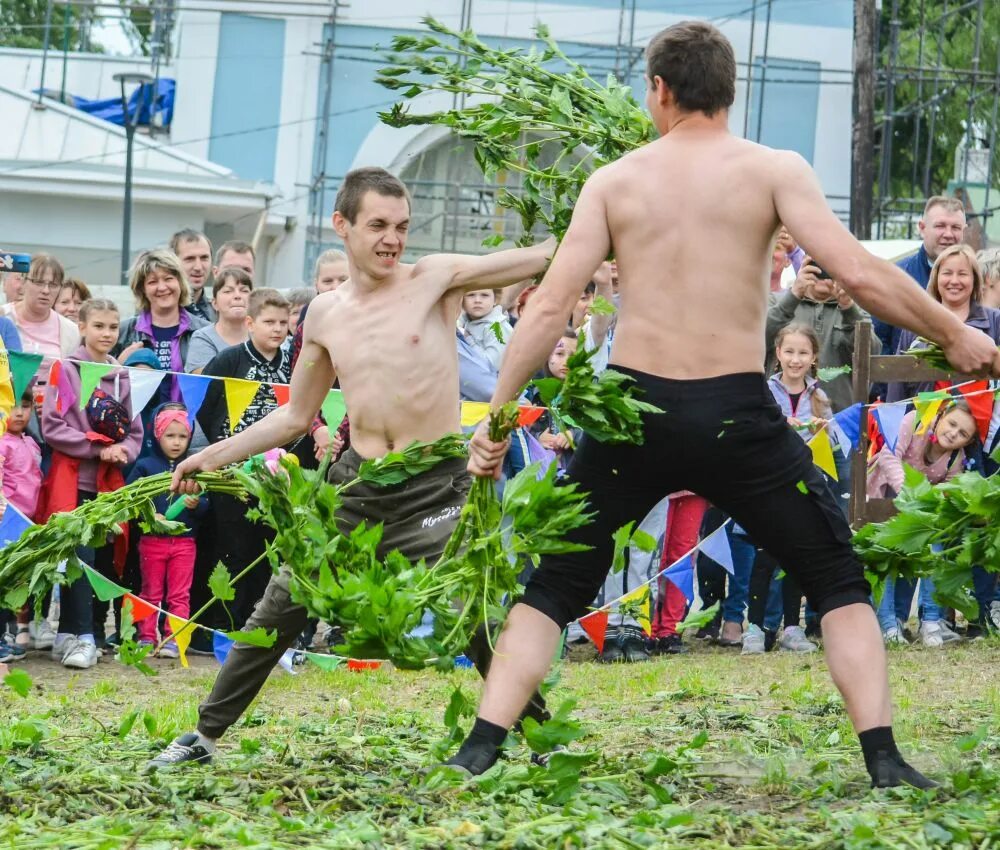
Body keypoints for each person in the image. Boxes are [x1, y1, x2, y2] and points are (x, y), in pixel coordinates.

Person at [447, 20, 998, 789]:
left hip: (636, 412)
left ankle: (480, 746)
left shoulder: (615, 179)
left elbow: (547, 310)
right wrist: (954, 332)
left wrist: (499, 421)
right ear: (729, 92)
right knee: (835, 576)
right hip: (738, 412)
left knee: (554, 585)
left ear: (659, 91)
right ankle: (884, 759)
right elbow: (859, 274)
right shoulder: (774, 169)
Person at [146, 166, 555, 769]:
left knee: (475, 612)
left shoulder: (435, 279)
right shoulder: (325, 315)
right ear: (342, 225)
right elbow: (295, 416)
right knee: (281, 605)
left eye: (402, 227)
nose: (393, 239)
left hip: (436, 484)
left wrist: (592, 218)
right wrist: (211, 454)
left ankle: (540, 737)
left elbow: (543, 256)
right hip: (358, 489)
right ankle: (204, 736)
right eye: (378, 226)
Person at [39, 299, 143, 668]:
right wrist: (95, 448)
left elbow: (134, 432)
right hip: (70, 479)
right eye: (98, 326)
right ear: (81, 326)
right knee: (75, 557)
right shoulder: (65, 369)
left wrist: (122, 452)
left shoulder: (124, 376)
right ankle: (82, 637)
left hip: (107, 484)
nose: (106, 334)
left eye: (113, 327)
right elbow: (52, 426)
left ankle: (73, 630)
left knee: (96, 558)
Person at [197, 288, 292, 626]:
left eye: (283, 322)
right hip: (233, 474)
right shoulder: (229, 360)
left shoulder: (293, 364)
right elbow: (205, 408)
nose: (277, 329)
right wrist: (224, 448)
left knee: (271, 551)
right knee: (234, 550)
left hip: (280, 476)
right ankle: (227, 625)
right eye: (269, 322)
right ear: (251, 323)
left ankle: (265, 623)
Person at [866, 400, 977, 648]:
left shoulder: (955, 459)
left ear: (967, 442)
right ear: (941, 415)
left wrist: (925, 502)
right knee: (888, 559)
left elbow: (949, 489)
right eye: (952, 424)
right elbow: (888, 455)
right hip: (885, 498)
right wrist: (910, 492)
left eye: (962, 434)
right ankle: (887, 624)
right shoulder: (915, 421)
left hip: (920, 513)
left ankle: (930, 620)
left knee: (934, 553)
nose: (953, 433)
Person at [126, 405, 207, 658]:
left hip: (185, 542)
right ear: (157, 435)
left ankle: (174, 638)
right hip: (152, 541)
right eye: (170, 436)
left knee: (180, 594)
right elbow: (131, 501)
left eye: (182, 436)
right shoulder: (144, 466)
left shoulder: (194, 467)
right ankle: (147, 637)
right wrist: (151, 515)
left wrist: (197, 504)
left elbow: (207, 503)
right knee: (150, 592)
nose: (176, 442)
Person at [889, 244, 1000, 401]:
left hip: (982, 421)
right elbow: (898, 384)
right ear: (936, 278)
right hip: (919, 422)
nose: (954, 281)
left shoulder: (996, 321)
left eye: (962, 274)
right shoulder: (916, 324)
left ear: (975, 280)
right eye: (947, 273)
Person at [871, 196, 967, 357]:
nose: (948, 234)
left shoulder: (978, 279)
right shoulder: (897, 277)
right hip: (906, 378)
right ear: (922, 228)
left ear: (964, 231)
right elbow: (880, 341)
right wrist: (894, 379)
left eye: (956, 227)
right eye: (940, 226)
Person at [114, 249, 209, 404]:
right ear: (142, 289)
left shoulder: (204, 332)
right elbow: (102, 385)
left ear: (180, 282)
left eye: (168, 278)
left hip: (189, 424)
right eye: (152, 282)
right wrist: (118, 364)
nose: (162, 287)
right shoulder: (123, 332)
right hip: (137, 425)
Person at [7, 254, 80, 380]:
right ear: (24, 282)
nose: (46, 290)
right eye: (39, 282)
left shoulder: (71, 331)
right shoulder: (4, 317)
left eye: (53, 285)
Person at [184, 267, 254, 374]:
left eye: (244, 290)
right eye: (228, 291)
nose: (237, 296)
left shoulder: (263, 335)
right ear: (215, 303)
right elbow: (204, 384)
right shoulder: (203, 338)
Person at [459, 289, 511, 371]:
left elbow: (492, 366)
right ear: (462, 301)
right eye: (471, 295)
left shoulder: (497, 326)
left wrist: (469, 339)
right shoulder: (465, 322)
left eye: (484, 295)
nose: (477, 300)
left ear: (495, 300)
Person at [171, 229, 217, 323]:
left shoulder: (219, 314)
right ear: (173, 263)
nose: (198, 267)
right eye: (190, 259)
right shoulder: (159, 313)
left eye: (204, 258)